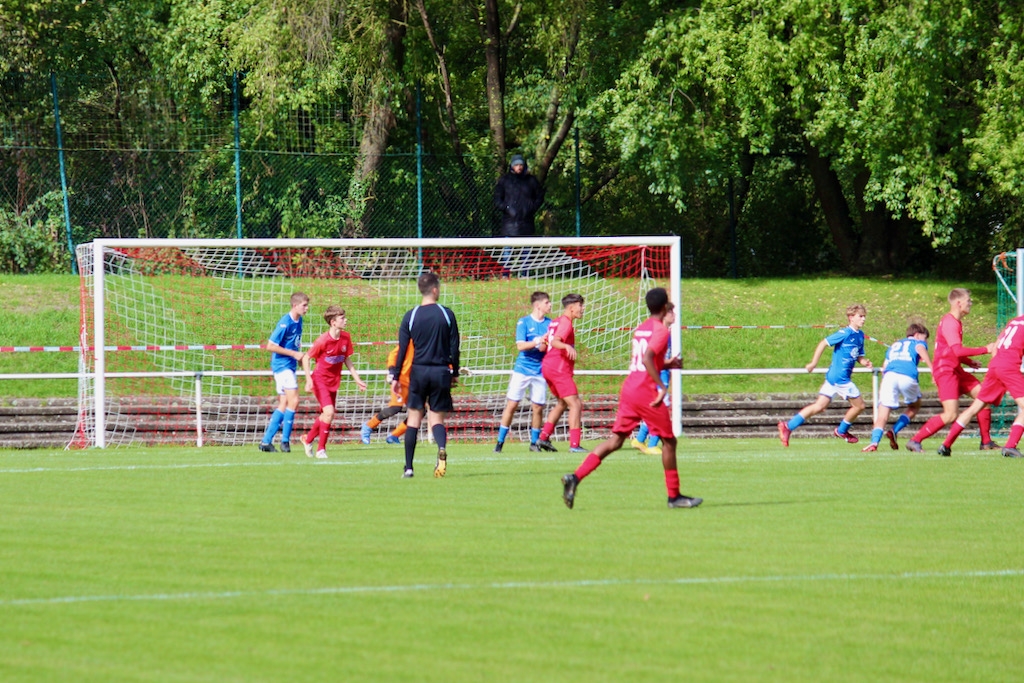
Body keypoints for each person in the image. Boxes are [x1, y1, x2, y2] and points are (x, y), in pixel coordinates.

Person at [561, 291, 700, 510]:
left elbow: (645, 359)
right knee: (670, 442)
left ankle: (575, 477)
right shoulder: (662, 330)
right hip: (645, 392)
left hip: (630, 389)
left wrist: (667, 364)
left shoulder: (642, 327)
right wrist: (662, 387)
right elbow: (646, 359)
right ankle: (674, 497)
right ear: (664, 307)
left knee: (615, 441)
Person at [906, 288, 998, 453]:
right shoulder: (949, 322)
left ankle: (986, 442)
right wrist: (986, 348)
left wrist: (968, 361)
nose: (971, 303)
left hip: (955, 369)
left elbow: (950, 350)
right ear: (958, 303)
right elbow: (956, 350)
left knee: (984, 396)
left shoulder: (955, 322)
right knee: (950, 414)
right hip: (946, 371)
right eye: (968, 300)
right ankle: (915, 440)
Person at [394, 272, 461, 478]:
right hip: (441, 371)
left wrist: (396, 376)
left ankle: (409, 468)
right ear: (434, 290)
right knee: (436, 419)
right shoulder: (446, 314)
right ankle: (440, 449)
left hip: (419, 371)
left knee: (414, 418)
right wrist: (455, 372)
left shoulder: (411, 315)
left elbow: (402, 349)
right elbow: (454, 347)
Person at [777, 304, 874, 446]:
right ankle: (842, 430)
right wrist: (813, 363)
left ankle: (788, 426)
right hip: (840, 379)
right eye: (860, 316)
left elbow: (858, 355)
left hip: (833, 378)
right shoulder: (844, 333)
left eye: (864, 316)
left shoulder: (859, 335)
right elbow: (823, 343)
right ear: (851, 318)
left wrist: (864, 361)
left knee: (819, 406)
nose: (863, 319)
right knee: (859, 406)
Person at [933, 314, 1024, 458]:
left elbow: (995, 347)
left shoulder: (1014, 321)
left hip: (995, 365)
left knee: (975, 407)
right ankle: (1010, 446)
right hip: (1009, 367)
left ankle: (946, 445)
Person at [299, 305, 367, 459]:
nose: (346, 320)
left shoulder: (345, 337)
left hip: (333, 381)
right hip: (320, 380)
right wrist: (309, 380)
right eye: (342, 318)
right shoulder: (323, 340)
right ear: (333, 322)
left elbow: (346, 359)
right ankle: (321, 450)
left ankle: (307, 439)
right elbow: (306, 357)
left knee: (326, 414)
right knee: (329, 412)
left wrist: (357, 380)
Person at [494, 292, 552, 453]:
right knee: (512, 405)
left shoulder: (550, 324)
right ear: (537, 305)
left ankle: (534, 443)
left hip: (540, 370)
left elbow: (545, 347)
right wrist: (537, 341)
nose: (550, 305)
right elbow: (520, 346)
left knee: (538, 407)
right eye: (547, 302)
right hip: (522, 369)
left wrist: (544, 345)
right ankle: (499, 442)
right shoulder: (524, 322)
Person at [861, 323, 932, 452]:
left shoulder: (894, 345)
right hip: (907, 375)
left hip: (889, 377)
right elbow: (921, 348)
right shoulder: (918, 342)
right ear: (917, 335)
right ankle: (894, 430)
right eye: (925, 338)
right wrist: (932, 368)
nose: (926, 341)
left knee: (882, 414)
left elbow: (884, 367)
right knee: (914, 406)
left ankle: (874, 443)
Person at [259, 292, 309, 453]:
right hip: (282, 366)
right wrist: (294, 354)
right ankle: (285, 442)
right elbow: (270, 346)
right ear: (295, 305)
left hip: (289, 366)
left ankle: (266, 442)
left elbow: (294, 344)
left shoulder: (299, 320)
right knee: (294, 401)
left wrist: (299, 358)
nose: (307, 308)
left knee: (284, 403)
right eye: (304, 305)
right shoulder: (285, 322)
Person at [536, 293, 587, 453]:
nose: (582, 309)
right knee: (575, 404)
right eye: (580, 305)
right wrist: (566, 346)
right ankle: (574, 445)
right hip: (558, 368)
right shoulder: (566, 323)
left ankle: (543, 437)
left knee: (562, 403)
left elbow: (544, 345)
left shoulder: (555, 321)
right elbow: (555, 341)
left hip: (548, 366)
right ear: (572, 308)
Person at [630, 321, 675, 456]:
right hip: (659, 375)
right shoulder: (660, 334)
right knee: (661, 412)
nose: (673, 315)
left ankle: (640, 439)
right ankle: (652, 444)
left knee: (657, 411)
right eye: (670, 312)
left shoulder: (666, 333)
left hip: (663, 374)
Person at [361, 341, 415, 446]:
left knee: (420, 412)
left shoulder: (431, 342)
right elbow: (393, 355)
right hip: (401, 381)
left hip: (418, 382)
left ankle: (394, 435)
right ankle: (368, 426)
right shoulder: (410, 342)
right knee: (395, 408)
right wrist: (392, 371)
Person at [493, 154, 545, 237]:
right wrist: (506, 208)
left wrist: (532, 207)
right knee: (508, 249)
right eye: (516, 165)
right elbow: (497, 198)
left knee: (526, 248)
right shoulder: (505, 180)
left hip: (527, 222)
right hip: (509, 223)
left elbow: (540, 196)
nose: (519, 167)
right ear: (512, 166)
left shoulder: (531, 180)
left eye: (521, 165)